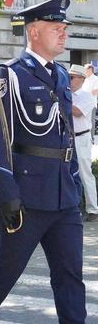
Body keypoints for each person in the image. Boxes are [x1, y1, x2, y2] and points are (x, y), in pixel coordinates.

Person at [0, 0, 85, 324]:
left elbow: (66, 136)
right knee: (6, 269)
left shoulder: (60, 75)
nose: (63, 34)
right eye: (56, 28)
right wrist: (6, 193)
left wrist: (75, 179)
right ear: (33, 32)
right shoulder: (10, 76)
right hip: (27, 197)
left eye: (64, 29)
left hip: (64, 197)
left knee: (70, 273)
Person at [68, 65, 98, 222]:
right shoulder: (67, 94)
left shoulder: (86, 96)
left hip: (82, 138)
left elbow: (78, 112)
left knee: (85, 173)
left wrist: (61, 101)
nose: (69, 80)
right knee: (68, 173)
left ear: (81, 79)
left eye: (71, 77)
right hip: (68, 138)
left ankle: (93, 209)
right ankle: (74, 207)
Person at [82, 63, 98, 136]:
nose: (84, 71)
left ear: (90, 70)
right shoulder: (84, 79)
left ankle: (91, 138)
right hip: (82, 104)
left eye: (85, 70)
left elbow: (95, 91)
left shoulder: (95, 79)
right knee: (84, 122)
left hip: (91, 104)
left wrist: (84, 95)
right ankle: (86, 137)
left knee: (91, 121)